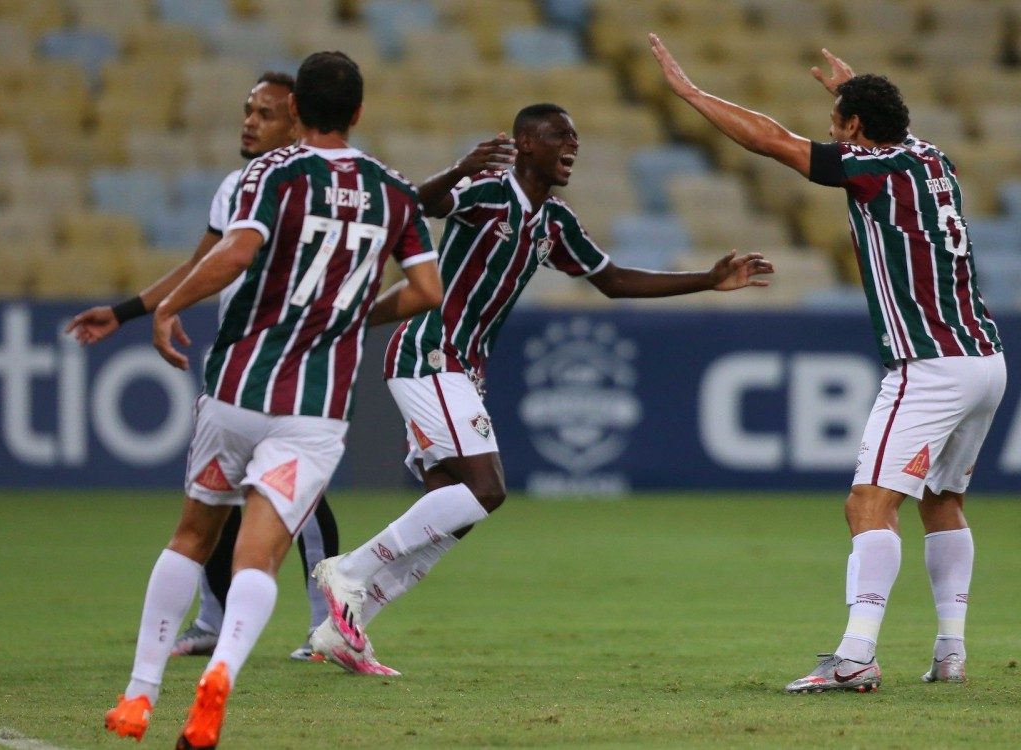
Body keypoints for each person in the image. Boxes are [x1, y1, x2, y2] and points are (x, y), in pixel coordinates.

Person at [307, 102, 776, 674]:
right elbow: (418, 206)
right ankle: (350, 571)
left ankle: (342, 631)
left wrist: (704, 280)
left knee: (451, 515)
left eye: (576, 138)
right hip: (430, 353)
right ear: (526, 143)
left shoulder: (554, 222)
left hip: (463, 368)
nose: (572, 147)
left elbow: (611, 280)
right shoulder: (486, 193)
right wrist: (459, 167)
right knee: (487, 489)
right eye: (561, 137)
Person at [101, 51, 444, 747]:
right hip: (314, 409)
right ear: (358, 112)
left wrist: (168, 307)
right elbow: (428, 292)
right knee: (259, 558)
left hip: (238, 387)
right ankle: (222, 668)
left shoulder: (270, 174)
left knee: (193, 538)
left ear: (298, 112)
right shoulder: (393, 192)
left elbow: (234, 253)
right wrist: (355, 315)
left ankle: (139, 697)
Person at [648, 35, 1005, 693]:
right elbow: (890, 135)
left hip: (929, 363)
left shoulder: (872, 169)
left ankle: (856, 656)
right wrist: (852, 92)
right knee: (943, 499)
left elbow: (770, 141)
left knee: (867, 502)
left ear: (856, 130)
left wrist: (693, 94)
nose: (829, 135)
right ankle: (951, 648)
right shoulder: (932, 158)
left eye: (837, 125)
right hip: (986, 360)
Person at [67, 72, 340, 663]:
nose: (249, 121)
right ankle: (214, 621)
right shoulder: (235, 187)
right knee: (217, 494)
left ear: (297, 120)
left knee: (305, 504)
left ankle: (330, 628)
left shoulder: (323, 187)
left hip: (294, 359)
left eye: (265, 113)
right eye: (247, 110)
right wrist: (128, 312)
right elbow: (202, 264)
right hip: (235, 363)